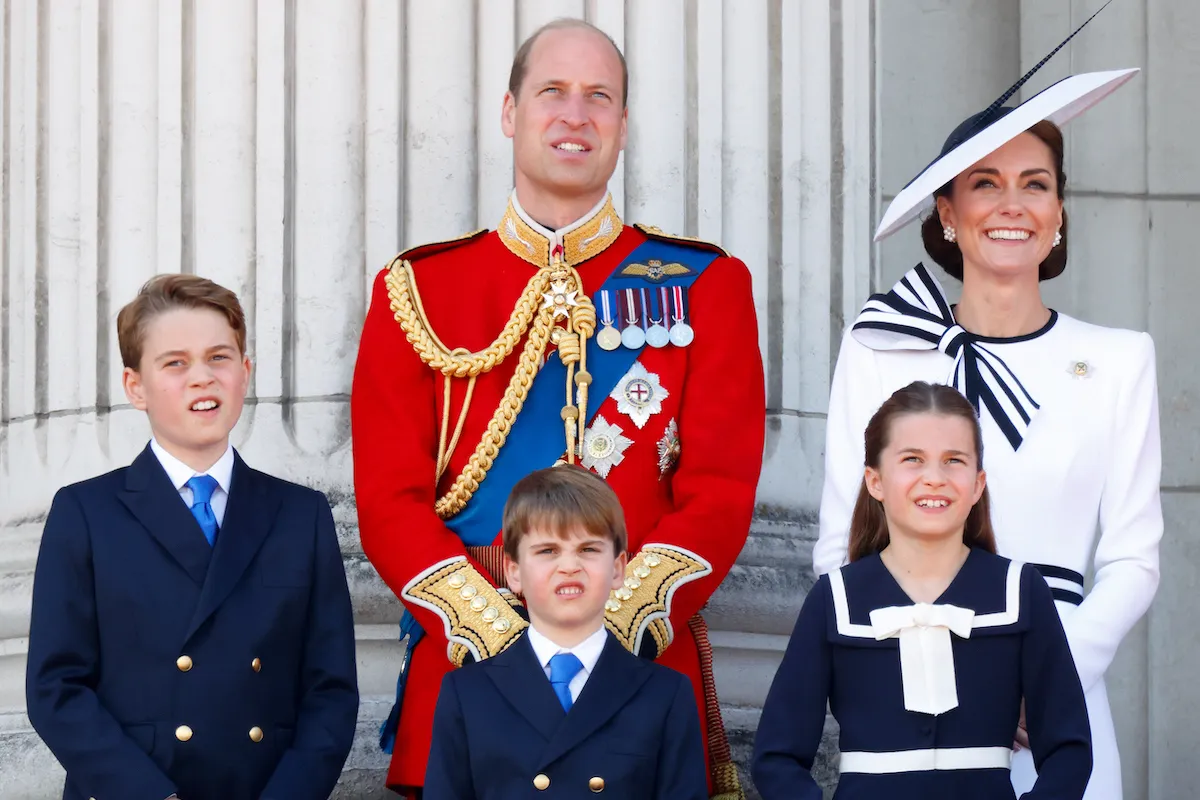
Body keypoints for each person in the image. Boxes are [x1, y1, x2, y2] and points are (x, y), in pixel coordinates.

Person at [351, 17, 763, 799]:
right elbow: (388, 501)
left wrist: (612, 625)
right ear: (511, 113)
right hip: (468, 667)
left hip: (638, 677)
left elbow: (719, 492)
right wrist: (498, 634)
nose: (576, 116)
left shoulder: (706, 285)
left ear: (622, 125)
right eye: (553, 93)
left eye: (598, 97)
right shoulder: (418, 292)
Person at [812, 12, 1158, 797]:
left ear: (1060, 210)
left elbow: (1135, 558)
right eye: (984, 184)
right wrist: (923, 661)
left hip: (1061, 701)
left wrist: (1048, 672)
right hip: (911, 698)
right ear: (946, 212)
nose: (1012, 205)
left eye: (1035, 184)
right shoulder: (881, 347)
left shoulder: (1119, 360)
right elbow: (839, 547)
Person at [25, 275, 359, 800]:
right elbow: (55, 688)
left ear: (244, 373)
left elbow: (331, 691)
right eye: (175, 363)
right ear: (136, 387)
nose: (202, 378)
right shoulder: (85, 513)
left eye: (219, 358)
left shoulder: (301, 515)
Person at [756, 381, 1092, 799]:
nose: (934, 478)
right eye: (912, 459)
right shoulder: (835, 599)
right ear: (875, 481)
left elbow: (1070, 748)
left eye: (954, 461)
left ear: (978, 483)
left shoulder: (1021, 591)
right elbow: (777, 756)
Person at [424, 465, 708, 799]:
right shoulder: (467, 693)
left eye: (588, 549)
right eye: (548, 551)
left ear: (618, 569)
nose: (569, 566)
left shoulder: (665, 695)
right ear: (513, 572)